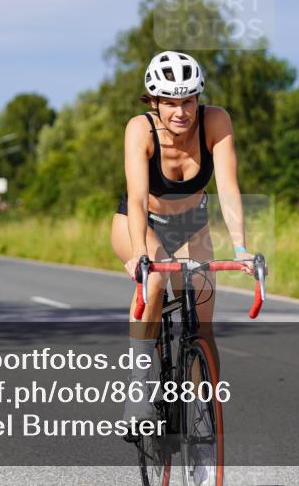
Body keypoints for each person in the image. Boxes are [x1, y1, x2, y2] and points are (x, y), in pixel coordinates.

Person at [110, 51, 254, 423]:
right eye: (170, 102)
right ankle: (139, 386)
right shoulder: (139, 130)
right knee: (156, 279)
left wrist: (240, 248)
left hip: (192, 223)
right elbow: (138, 199)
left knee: (202, 327)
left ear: (197, 99)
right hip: (142, 224)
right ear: (153, 102)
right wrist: (141, 254)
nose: (180, 111)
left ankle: (205, 416)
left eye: (188, 100)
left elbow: (229, 187)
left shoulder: (216, 121)